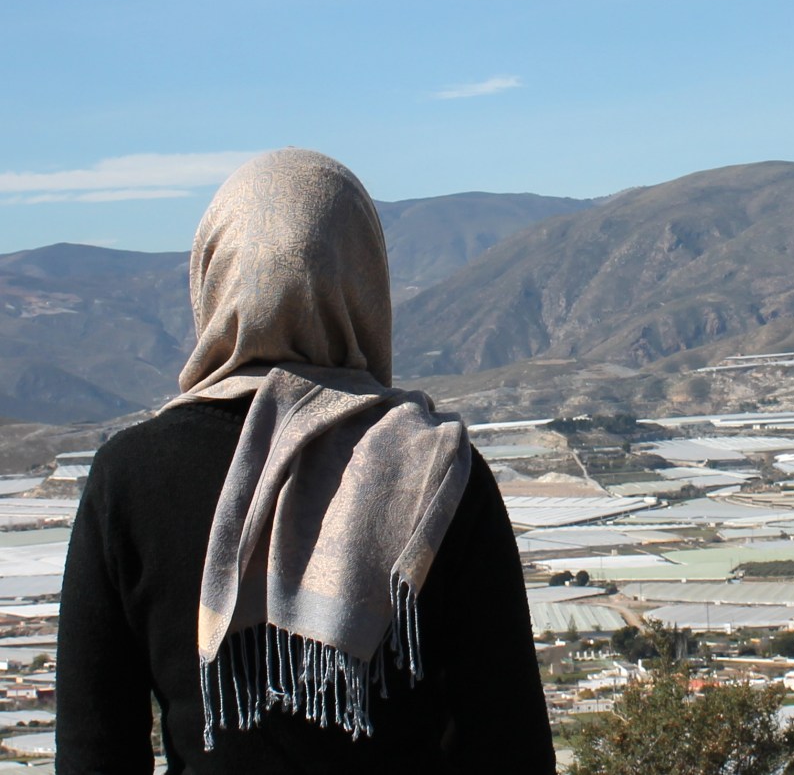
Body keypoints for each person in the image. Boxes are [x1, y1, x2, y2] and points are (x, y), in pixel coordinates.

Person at [56, 149, 556, 774]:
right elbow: (507, 740)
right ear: (363, 282)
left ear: (214, 277)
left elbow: (94, 749)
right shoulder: (439, 472)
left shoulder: (128, 477)